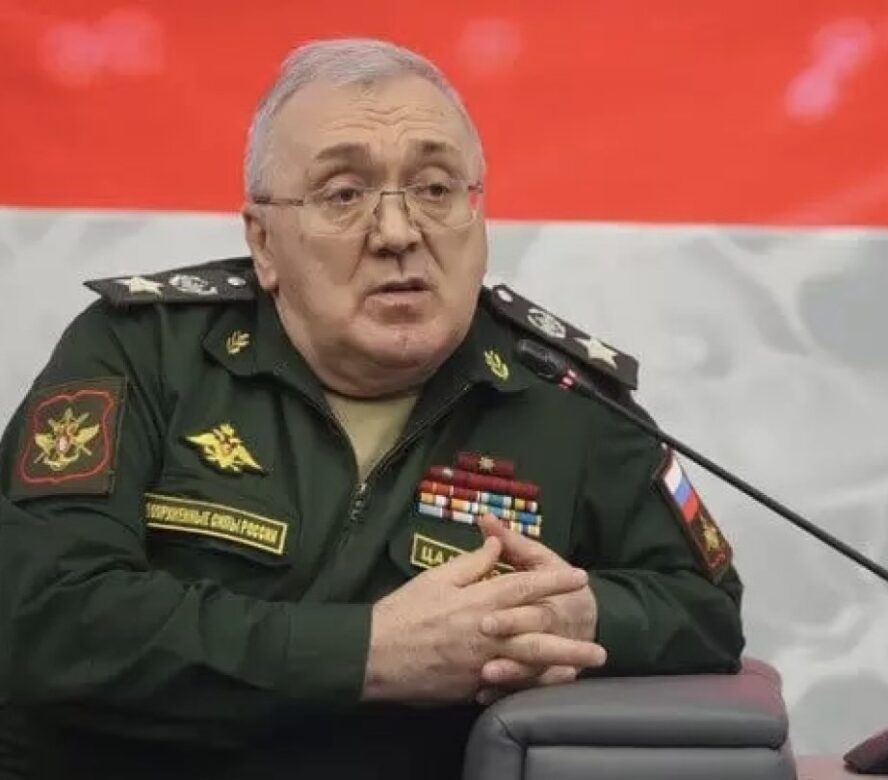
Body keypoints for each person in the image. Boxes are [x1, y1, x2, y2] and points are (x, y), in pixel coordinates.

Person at [0, 38, 744, 779]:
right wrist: (368, 654)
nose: (398, 234)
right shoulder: (143, 351)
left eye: (435, 189)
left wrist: (575, 614)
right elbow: (47, 619)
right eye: (343, 195)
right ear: (263, 242)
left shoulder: (560, 393)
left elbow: (705, 608)